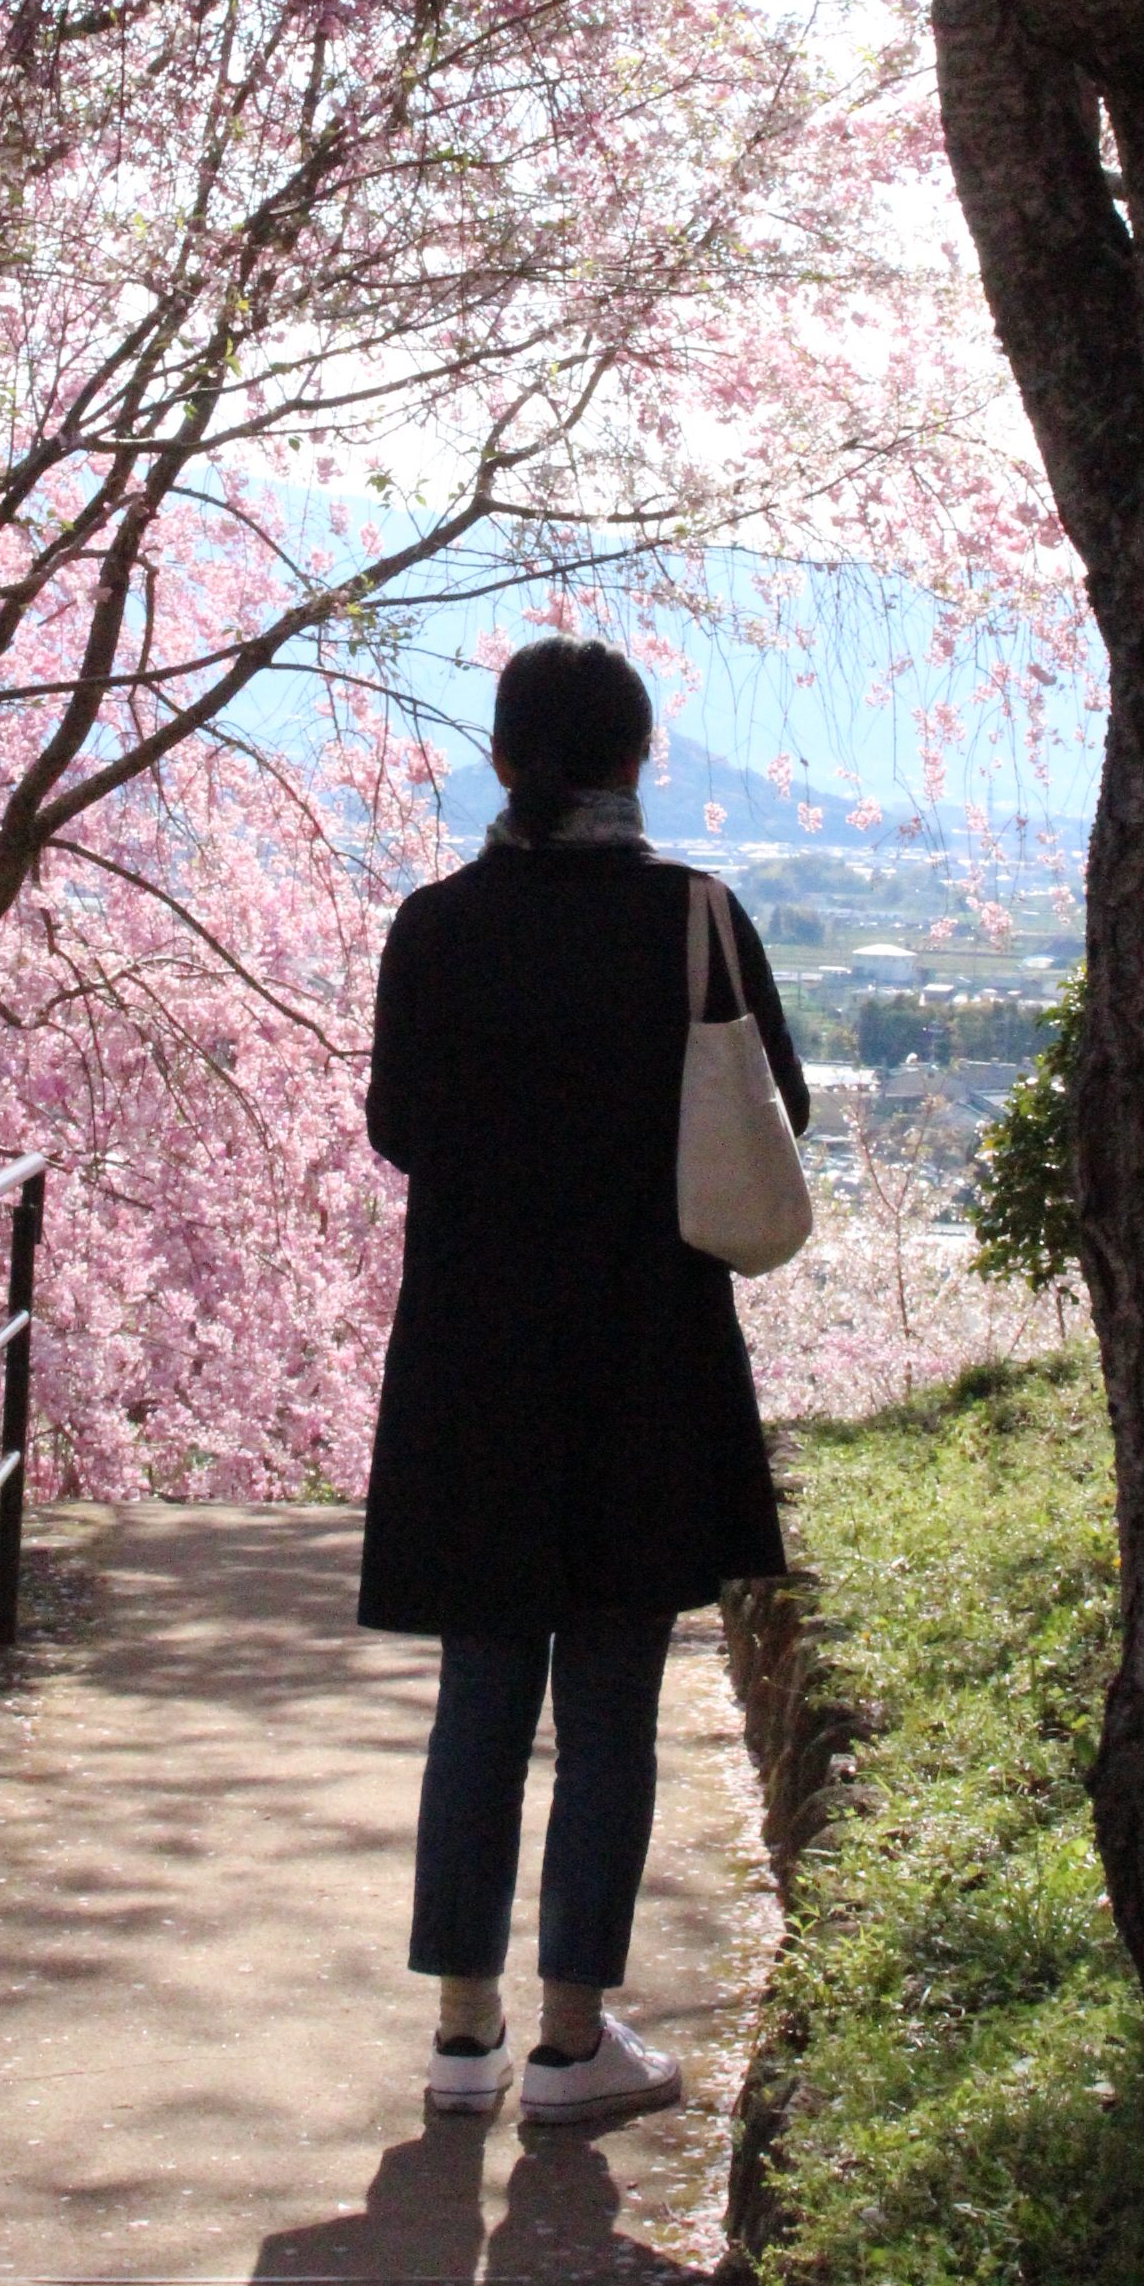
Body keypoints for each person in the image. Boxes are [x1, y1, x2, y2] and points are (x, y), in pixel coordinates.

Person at [359, 636, 808, 2125]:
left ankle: (460, 2034)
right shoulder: (695, 920)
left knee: (480, 1688)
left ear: (502, 761)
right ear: (639, 757)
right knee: (611, 1691)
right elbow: (774, 1119)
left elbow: (402, 1130)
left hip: (475, 1362)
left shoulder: (433, 928)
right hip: (643, 1358)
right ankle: (574, 2038)